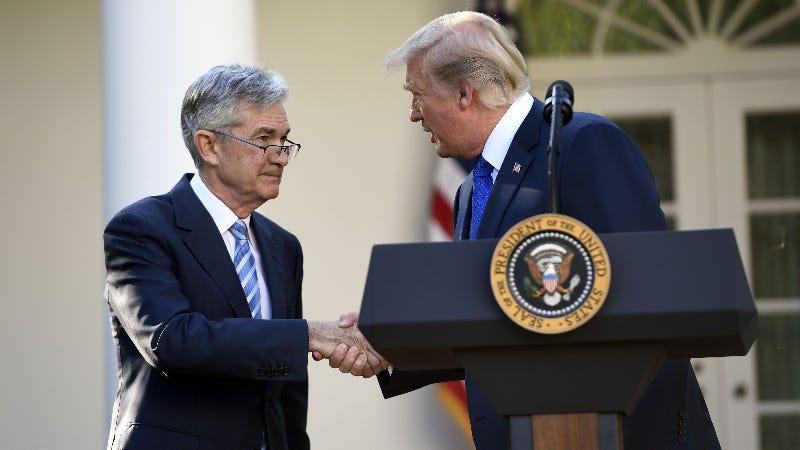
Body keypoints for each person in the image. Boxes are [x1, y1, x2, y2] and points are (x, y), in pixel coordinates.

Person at [330, 11, 721, 450]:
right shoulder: (467, 194)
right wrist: (388, 342)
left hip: (618, 433)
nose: (413, 114)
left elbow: (648, 293)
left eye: (417, 96)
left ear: (464, 94)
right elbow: (486, 326)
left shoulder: (581, 146)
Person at [104, 63, 387, 450]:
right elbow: (172, 341)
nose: (281, 157)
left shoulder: (283, 246)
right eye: (264, 139)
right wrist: (310, 334)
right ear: (209, 146)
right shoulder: (141, 228)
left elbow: (286, 389)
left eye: (285, 140)